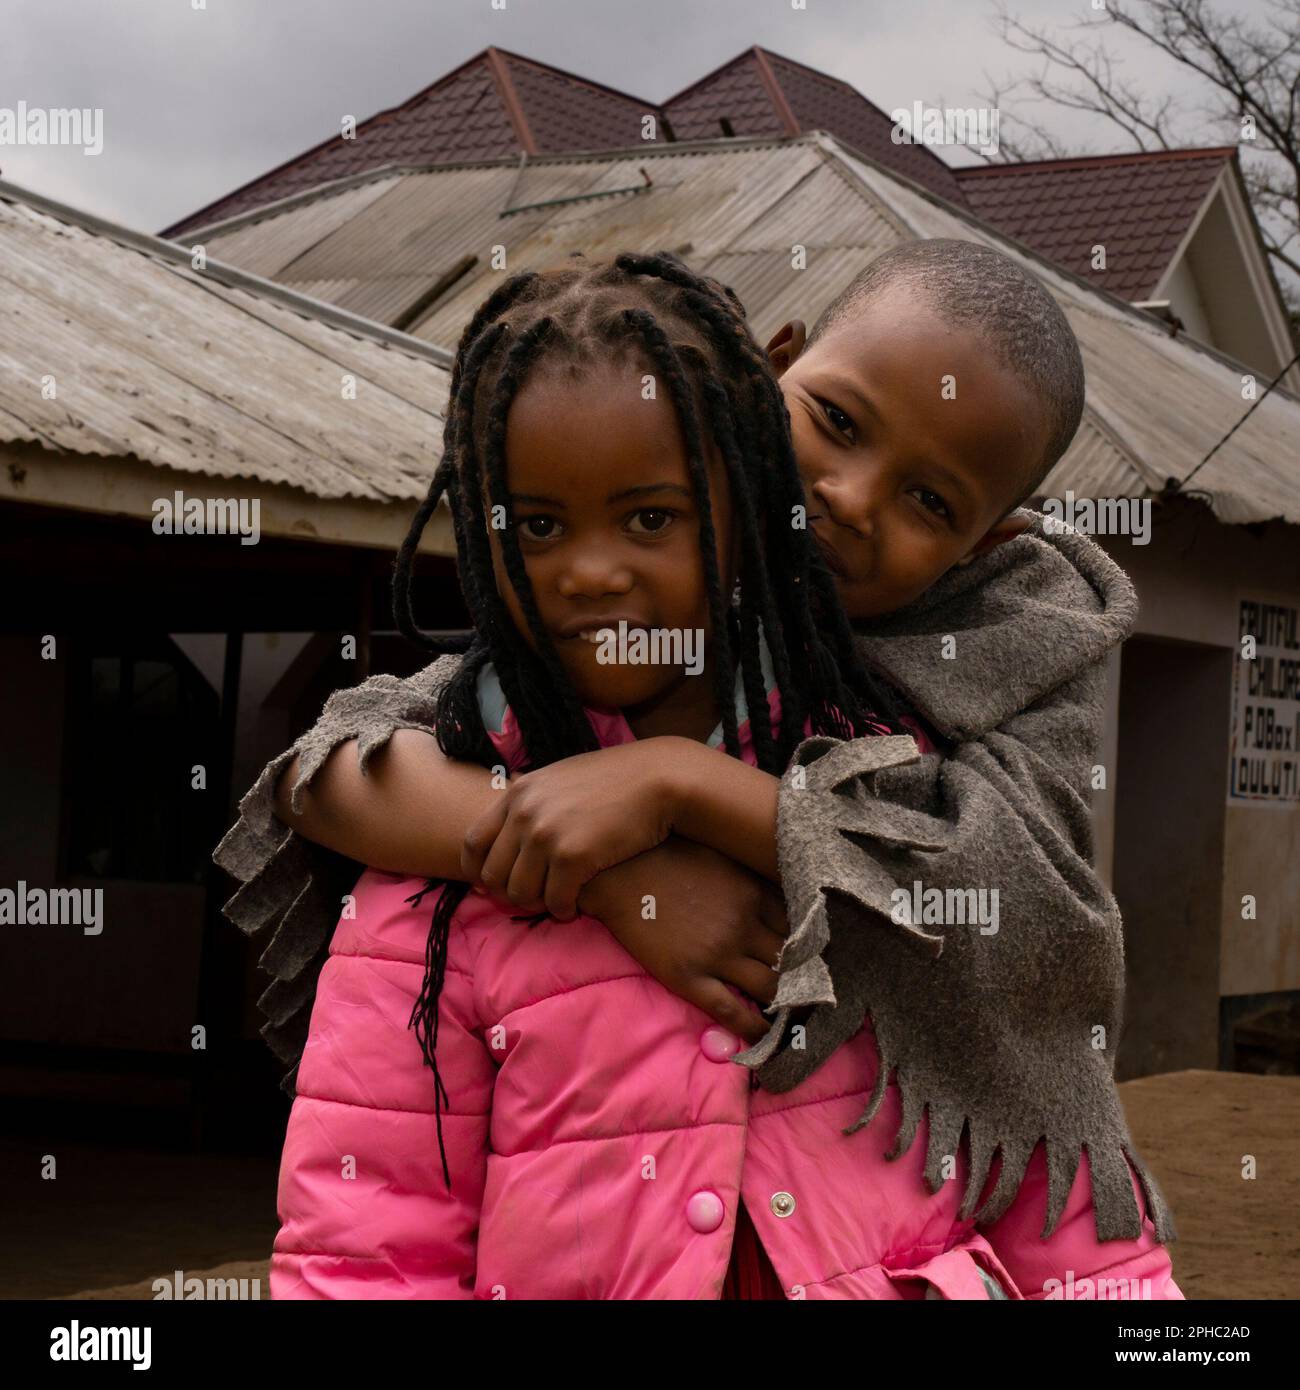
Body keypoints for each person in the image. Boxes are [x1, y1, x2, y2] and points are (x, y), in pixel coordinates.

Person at [217, 246, 1181, 1298]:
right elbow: (323, 774)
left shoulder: (987, 672)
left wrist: (675, 785)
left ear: (984, 542)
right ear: (769, 374)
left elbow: (1022, 979)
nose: (850, 500)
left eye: (929, 501)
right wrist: (616, 879)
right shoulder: (500, 719)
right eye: (840, 423)